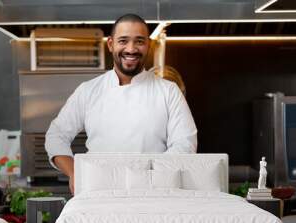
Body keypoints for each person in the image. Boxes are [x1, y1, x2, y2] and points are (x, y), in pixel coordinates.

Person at [45, 14, 197, 195]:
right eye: (123, 41)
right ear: (111, 44)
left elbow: (185, 144)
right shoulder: (88, 90)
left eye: (139, 41)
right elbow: (56, 135)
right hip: (97, 192)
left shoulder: (169, 92)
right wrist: (74, 172)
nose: (131, 49)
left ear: (148, 44)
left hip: (153, 193)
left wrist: (150, 176)